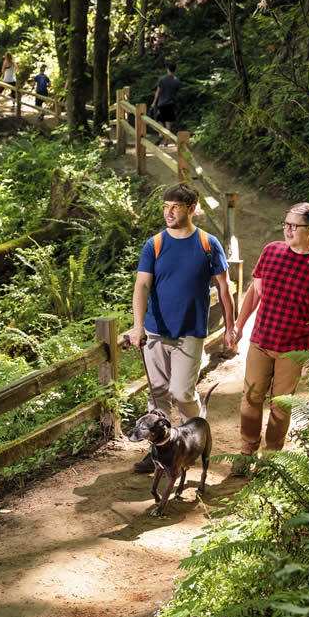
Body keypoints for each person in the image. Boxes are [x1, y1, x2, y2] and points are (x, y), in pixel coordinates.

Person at [119, 184, 236, 473]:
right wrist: (137, 326)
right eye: (166, 206)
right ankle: (156, 452)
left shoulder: (208, 244)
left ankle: (194, 440)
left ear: (192, 207)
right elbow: (142, 285)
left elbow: (224, 288)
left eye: (176, 206)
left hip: (191, 332)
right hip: (156, 331)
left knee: (183, 393)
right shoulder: (154, 244)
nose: (169, 212)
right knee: (158, 395)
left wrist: (231, 328)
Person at [232, 202, 309, 476]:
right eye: (286, 224)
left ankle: (269, 460)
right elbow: (254, 293)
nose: (288, 230)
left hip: (295, 349)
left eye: (295, 226)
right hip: (261, 340)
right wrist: (239, 325)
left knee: (280, 405)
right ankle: (246, 452)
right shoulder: (271, 251)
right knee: (251, 398)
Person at [151, 62, 180, 144]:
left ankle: (160, 135)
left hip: (162, 103)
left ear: (168, 69)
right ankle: (167, 140)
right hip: (171, 104)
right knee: (168, 122)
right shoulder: (176, 80)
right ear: (175, 70)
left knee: (160, 120)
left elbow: (157, 92)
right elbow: (176, 93)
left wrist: (154, 103)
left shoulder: (162, 79)